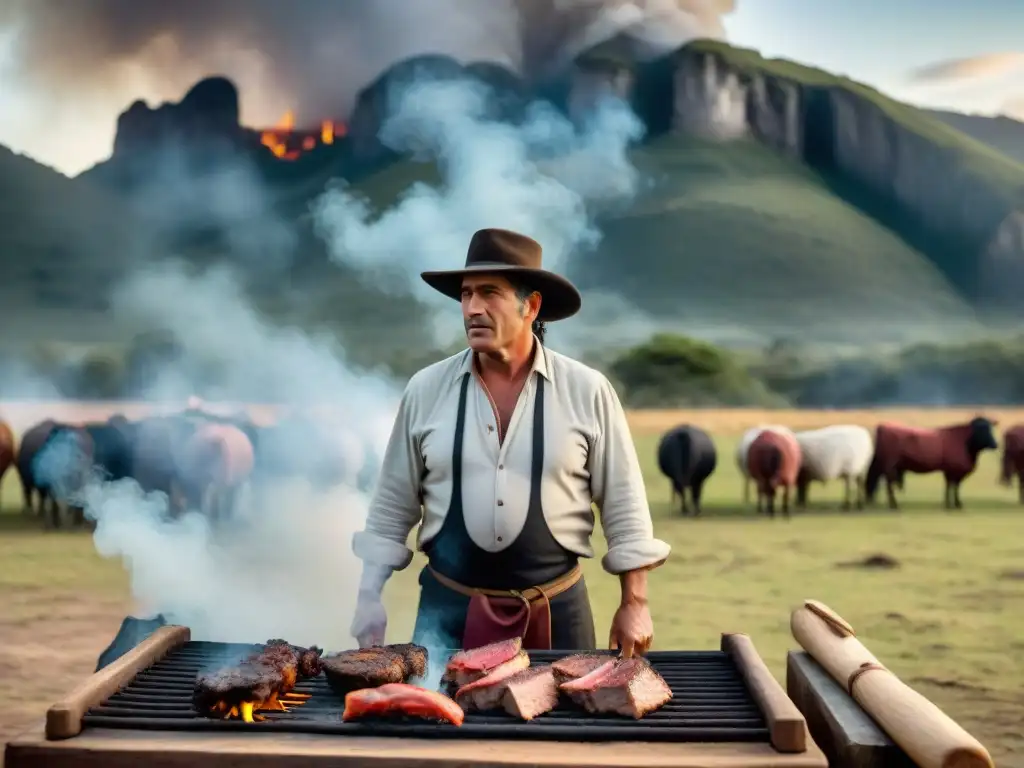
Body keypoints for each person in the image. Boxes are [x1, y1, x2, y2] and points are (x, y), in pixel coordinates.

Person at [350, 228, 670, 656]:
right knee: (437, 721)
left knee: (563, 723)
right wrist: (369, 596)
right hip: (446, 617)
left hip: (556, 614)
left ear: (531, 305)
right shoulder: (426, 389)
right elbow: (393, 504)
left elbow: (624, 504)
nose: (472, 309)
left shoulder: (587, 390)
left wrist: (635, 602)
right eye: (465, 295)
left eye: (489, 293)